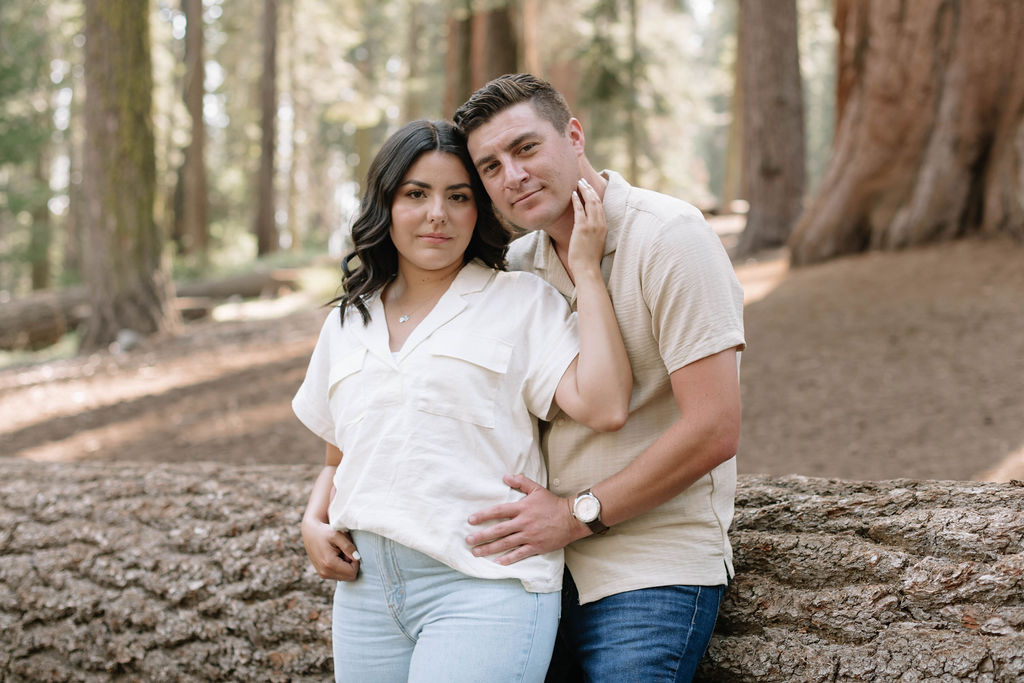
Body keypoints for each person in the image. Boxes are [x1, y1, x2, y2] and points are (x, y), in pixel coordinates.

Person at [291, 119, 632, 683]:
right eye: (416, 194)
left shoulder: (519, 302)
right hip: (366, 595)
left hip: (483, 586)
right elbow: (338, 455)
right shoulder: (348, 320)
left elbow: (605, 405)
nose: (437, 215)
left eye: (459, 196)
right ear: (386, 204)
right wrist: (311, 519)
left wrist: (587, 273)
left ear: (479, 211)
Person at [453, 74, 746, 682]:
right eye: (490, 166)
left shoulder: (670, 238)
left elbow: (714, 427)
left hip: (651, 564)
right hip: (539, 568)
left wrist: (574, 514)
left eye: (526, 148)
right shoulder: (516, 268)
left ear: (575, 135)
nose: (513, 175)